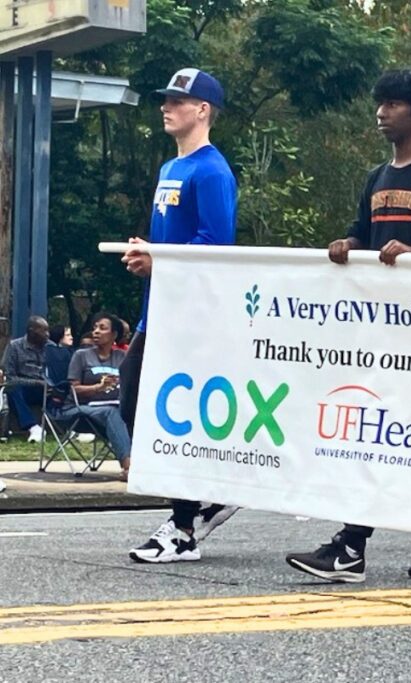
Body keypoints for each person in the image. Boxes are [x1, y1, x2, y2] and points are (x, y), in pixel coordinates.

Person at [285, 68, 411, 584]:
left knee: (387, 435)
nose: (382, 112)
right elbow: (363, 232)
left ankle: (351, 548)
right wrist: (347, 245)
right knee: (386, 434)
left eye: (395, 104)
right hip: (378, 332)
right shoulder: (376, 178)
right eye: (381, 103)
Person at [121, 68, 239, 564]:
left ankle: (184, 526)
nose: (166, 107)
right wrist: (147, 258)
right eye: (165, 99)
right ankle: (204, 501)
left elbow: (217, 244)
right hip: (159, 311)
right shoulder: (172, 169)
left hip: (191, 318)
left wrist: (159, 260)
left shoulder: (212, 171)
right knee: (135, 404)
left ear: (203, 110)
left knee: (167, 416)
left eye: (177, 100)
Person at [66, 313, 133, 480]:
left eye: (102, 328)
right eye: (95, 327)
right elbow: (73, 390)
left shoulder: (122, 357)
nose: (96, 331)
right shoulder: (81, 356)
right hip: (82, 408)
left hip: (115, 406)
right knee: (111, 412)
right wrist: (98, 387)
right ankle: (128, 467)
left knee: (134, 412)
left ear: (114, 335)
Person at [1, 316, 54, 443]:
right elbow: (10, 377)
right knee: (12, 389)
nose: (47, 335)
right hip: (25, 388)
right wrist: (36, 382)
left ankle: (72, 429)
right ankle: (33, 427)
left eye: (48, 331)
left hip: (47, 388)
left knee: (65, 388)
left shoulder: (51, 347)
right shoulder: (15, 347)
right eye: (43, 331)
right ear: (31, 331)